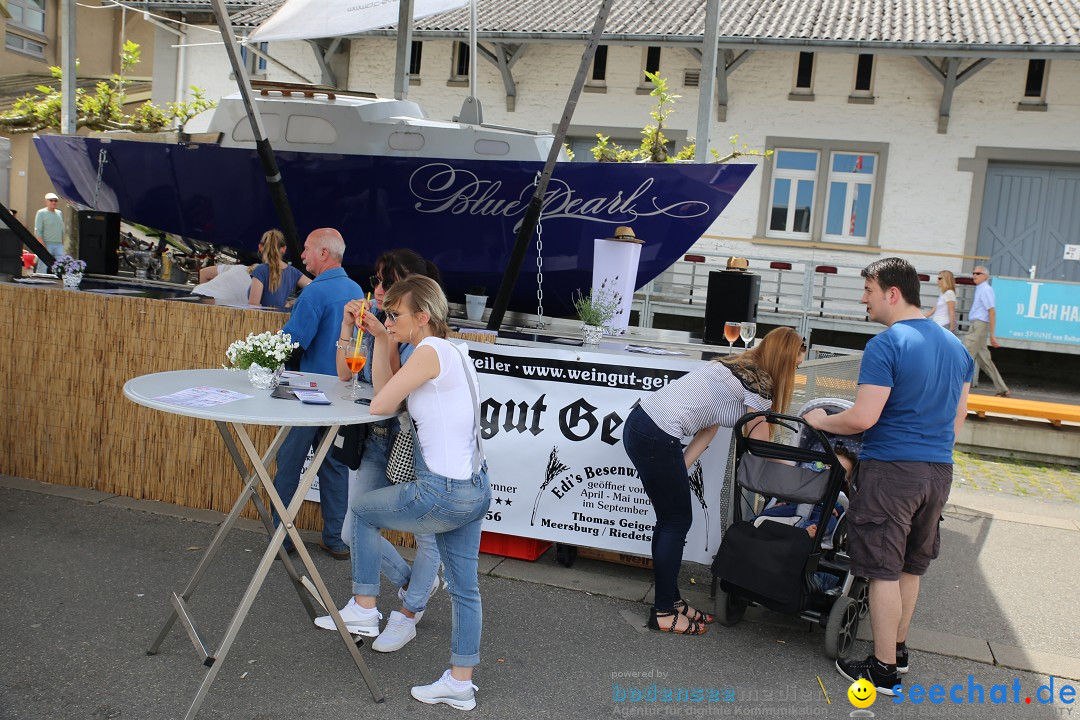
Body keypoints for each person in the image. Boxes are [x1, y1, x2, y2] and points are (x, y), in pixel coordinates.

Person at [803, 257, 973, 696]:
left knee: (881, 571)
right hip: (938, 469)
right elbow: (959, 418)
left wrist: (821, 420)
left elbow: (862, 417)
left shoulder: (887, 344)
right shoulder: (957, 348)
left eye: (868, 291)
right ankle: (897, 651)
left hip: (893, 470)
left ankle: (881, 671)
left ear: (892, 294)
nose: (864, 299)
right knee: (910, 568)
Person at [325, 274, 491, 710]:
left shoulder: (431, 350)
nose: (386, 316)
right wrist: (382, 339)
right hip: (474, 488)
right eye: (386, 311)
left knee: (361, 513)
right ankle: (459, 684)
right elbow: (387, 391)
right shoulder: (450, 350)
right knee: (464, 589)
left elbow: (380, 405)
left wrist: (385, 342)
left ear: (423, 317)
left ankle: (363, 606)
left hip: (442, 491)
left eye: (394, 313)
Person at [623, 327, 806, 635]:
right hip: (656, 434)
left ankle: (672, 601)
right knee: (675, 521)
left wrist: (679, 470)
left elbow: (708, 427)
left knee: (673, 520)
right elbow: (761, 444)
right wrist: (799, 470)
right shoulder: (758, 383)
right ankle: (664, 612)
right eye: (796, 366)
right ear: (785, 360)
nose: (795, 374)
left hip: (643, 425)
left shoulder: (735, 366)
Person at [315, 249, 444, 654]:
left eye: (387, 283)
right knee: (352, 530)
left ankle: (408, 612)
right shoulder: (384, 325)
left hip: (416, 446)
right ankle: (410, 585)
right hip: (375, 437)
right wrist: (347, 325)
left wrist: (384, 336)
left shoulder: (427, 340)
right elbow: (344, 372)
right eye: (377, 281)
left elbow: (389, 396)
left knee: (429, 537)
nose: (378, 290)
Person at [271, 228, 363, 560]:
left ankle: (281, 538)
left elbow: (291, 344)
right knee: (334, 466)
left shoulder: (313, 294)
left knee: (290, 462)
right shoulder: (356, 290)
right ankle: (335, 538)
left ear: (324, 254)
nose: (303, 256)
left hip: (305, 391)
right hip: (340, 392)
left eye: (308, 250)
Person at [963, 265, 1009, 397]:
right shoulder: (980, 289)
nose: (974, 276)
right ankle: (1002, 388)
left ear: (985, 276)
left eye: (978, 273)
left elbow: (991, 311)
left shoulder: (986, 290)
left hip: (980, 326)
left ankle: (954, 386)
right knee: (984, 360)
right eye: (973, 273)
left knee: (965, 355)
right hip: (976, 325)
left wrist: (992, 335)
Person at [249, 229, 310, 307]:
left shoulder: (260, 271)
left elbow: (253, 306)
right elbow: (316, 288)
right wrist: (292, 303)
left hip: (263, 319)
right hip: (283, 318)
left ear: (260, 247)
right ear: (284, 249)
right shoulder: (294, 272)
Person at [35, 192, 65, 273]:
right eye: (51, 200)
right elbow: (38, 231)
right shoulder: (41, 213)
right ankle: (39, 283)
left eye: (55, 200)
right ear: (46, 201)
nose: (53, 202)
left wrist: (62, 244)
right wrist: (43, 246)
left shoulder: (59, 213)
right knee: (43, 267)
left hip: (58, 245)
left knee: (61, 267)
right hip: (46, 244)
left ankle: (61, 283)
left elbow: (62, 230)